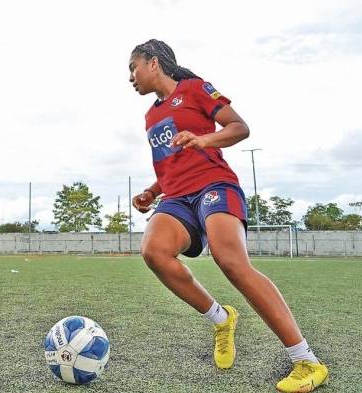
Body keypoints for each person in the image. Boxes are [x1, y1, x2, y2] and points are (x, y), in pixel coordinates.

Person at [128, 39, 328, 392]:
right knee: (153, 251)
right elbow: (170, 167)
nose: (131, 76)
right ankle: (221, 318)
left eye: (134, 67)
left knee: (230, 260)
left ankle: (307, 361)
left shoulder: (195, 89)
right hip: (175, 197)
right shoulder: (150, 116)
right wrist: (151, 192)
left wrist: (204, 140)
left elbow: (239, 127)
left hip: (214, 185)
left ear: (154, 63)